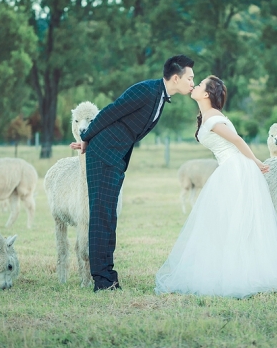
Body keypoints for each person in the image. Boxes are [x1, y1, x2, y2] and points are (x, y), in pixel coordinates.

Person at [155, 75, 277, 298]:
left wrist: (256, 162)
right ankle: (223, 270)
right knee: (222, 221)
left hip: (235, 169)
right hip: (227, 168)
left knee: (233, 220)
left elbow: (238, 140)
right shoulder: (207, 116)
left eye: (200, 84)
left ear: (205, 94)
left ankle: (241, 274)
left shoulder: (213, 118)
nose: (195, 85)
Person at [70, 55, 195, 292]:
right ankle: (102, 281)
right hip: (104, 155)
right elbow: (110, 112)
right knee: (102, 216)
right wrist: (87, 139)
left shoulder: (160, 97)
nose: (192, 83)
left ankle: (109, 276)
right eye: (190, 78)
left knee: (109, 216)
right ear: (176, 78)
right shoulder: (146, 91)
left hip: (115, 158)